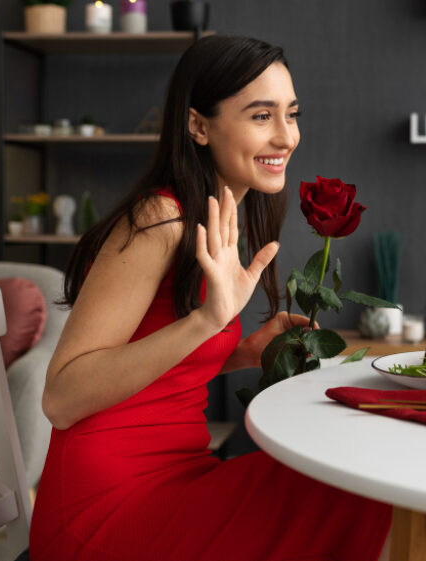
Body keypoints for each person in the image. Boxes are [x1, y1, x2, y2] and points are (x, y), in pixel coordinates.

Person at [30, 36, 392, 560]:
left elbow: (152, 369)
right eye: (261, 116)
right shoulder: (161, 218)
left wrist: (238, 352)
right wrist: (207, 322)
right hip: (108, 509)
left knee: (349, 473)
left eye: (291, 114)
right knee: (351, 481)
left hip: (180, 474)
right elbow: (61, 399)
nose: (286, 136)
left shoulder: (217, 215)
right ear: (198, 126)